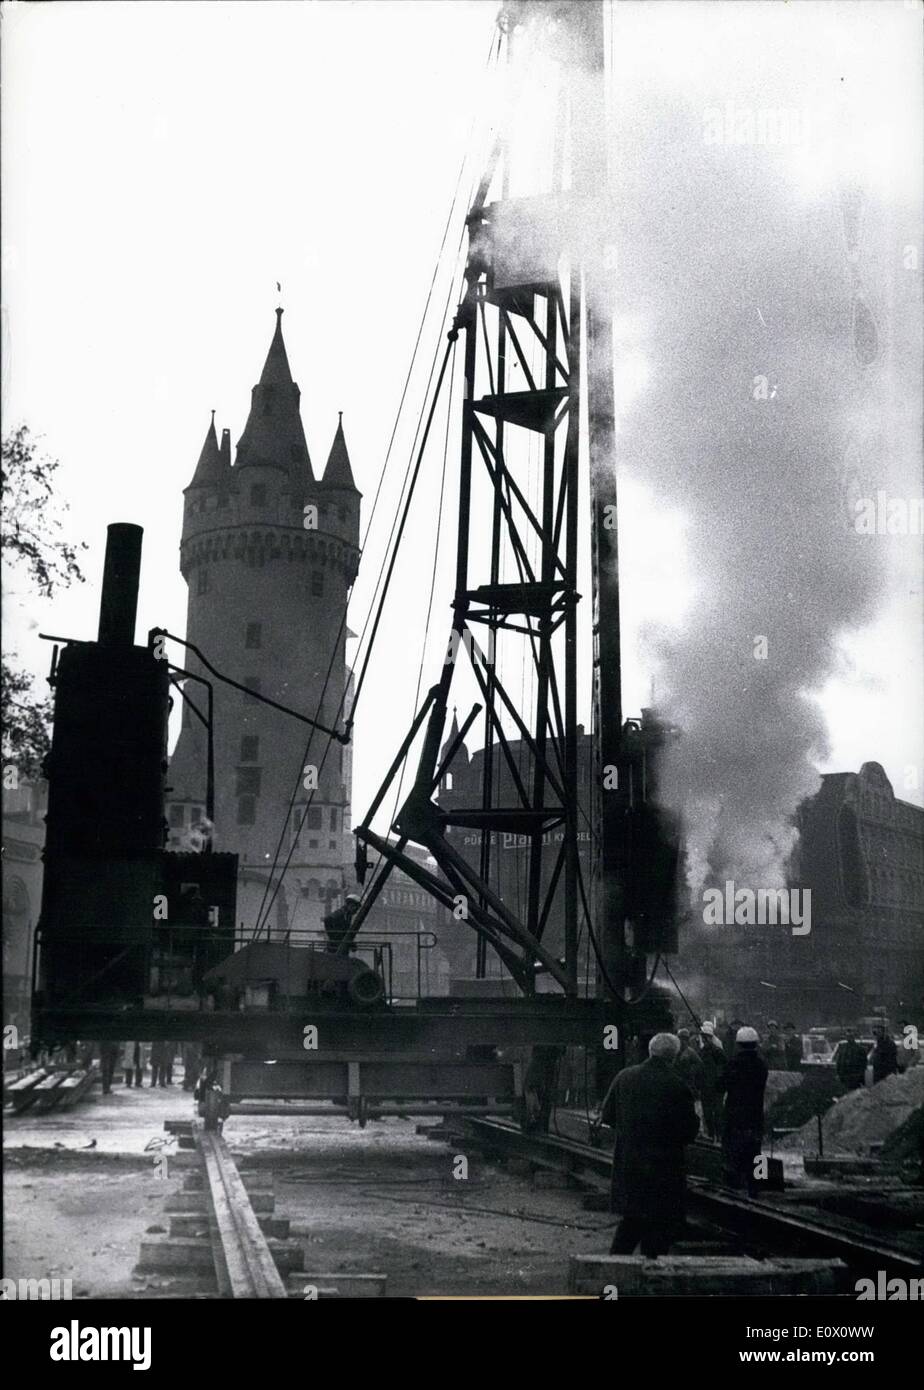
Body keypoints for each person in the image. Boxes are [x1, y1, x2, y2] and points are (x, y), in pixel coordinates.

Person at [603, 1033, 699, 1258]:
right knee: (658, 1235)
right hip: (664, 1172)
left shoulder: (624, 1076)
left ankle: (612, 1278)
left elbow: (608, 1117)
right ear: (673, 1057)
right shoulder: (677, 1086)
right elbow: (689, 1132)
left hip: (630, 1166)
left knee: (629, 1227)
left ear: (650, 1051)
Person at [722, 1026, 768, 1196]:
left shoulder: (733, 1064)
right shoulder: (761, 1065)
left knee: (734, 1151)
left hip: (735, 1115)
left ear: (738, 1045)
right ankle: (758, 1185)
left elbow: (720, 1085)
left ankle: (734, 1187)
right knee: (756, 1151)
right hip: (755, 1114)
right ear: (755, 1044)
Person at [698, 1021, 727, 1140]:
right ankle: (711, 1134)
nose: (705, 1040)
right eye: (703, 1037)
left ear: (711, 1037)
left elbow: (723, 1064)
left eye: (707, 1037)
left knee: (718, 1112)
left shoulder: (718, 1050)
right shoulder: (702, 1051)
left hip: (716, 1086)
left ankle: (719, 1135)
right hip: (705, 1086)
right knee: (708, 1112)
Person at [674, 1028, 704, 1102]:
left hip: (687, 1081)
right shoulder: (674, 1050)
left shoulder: (690, 1052)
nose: (682, 1041)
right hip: (676, 1080)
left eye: (685, 1039)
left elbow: (699, 1063)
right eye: (681, 1038)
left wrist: (691, 1071)